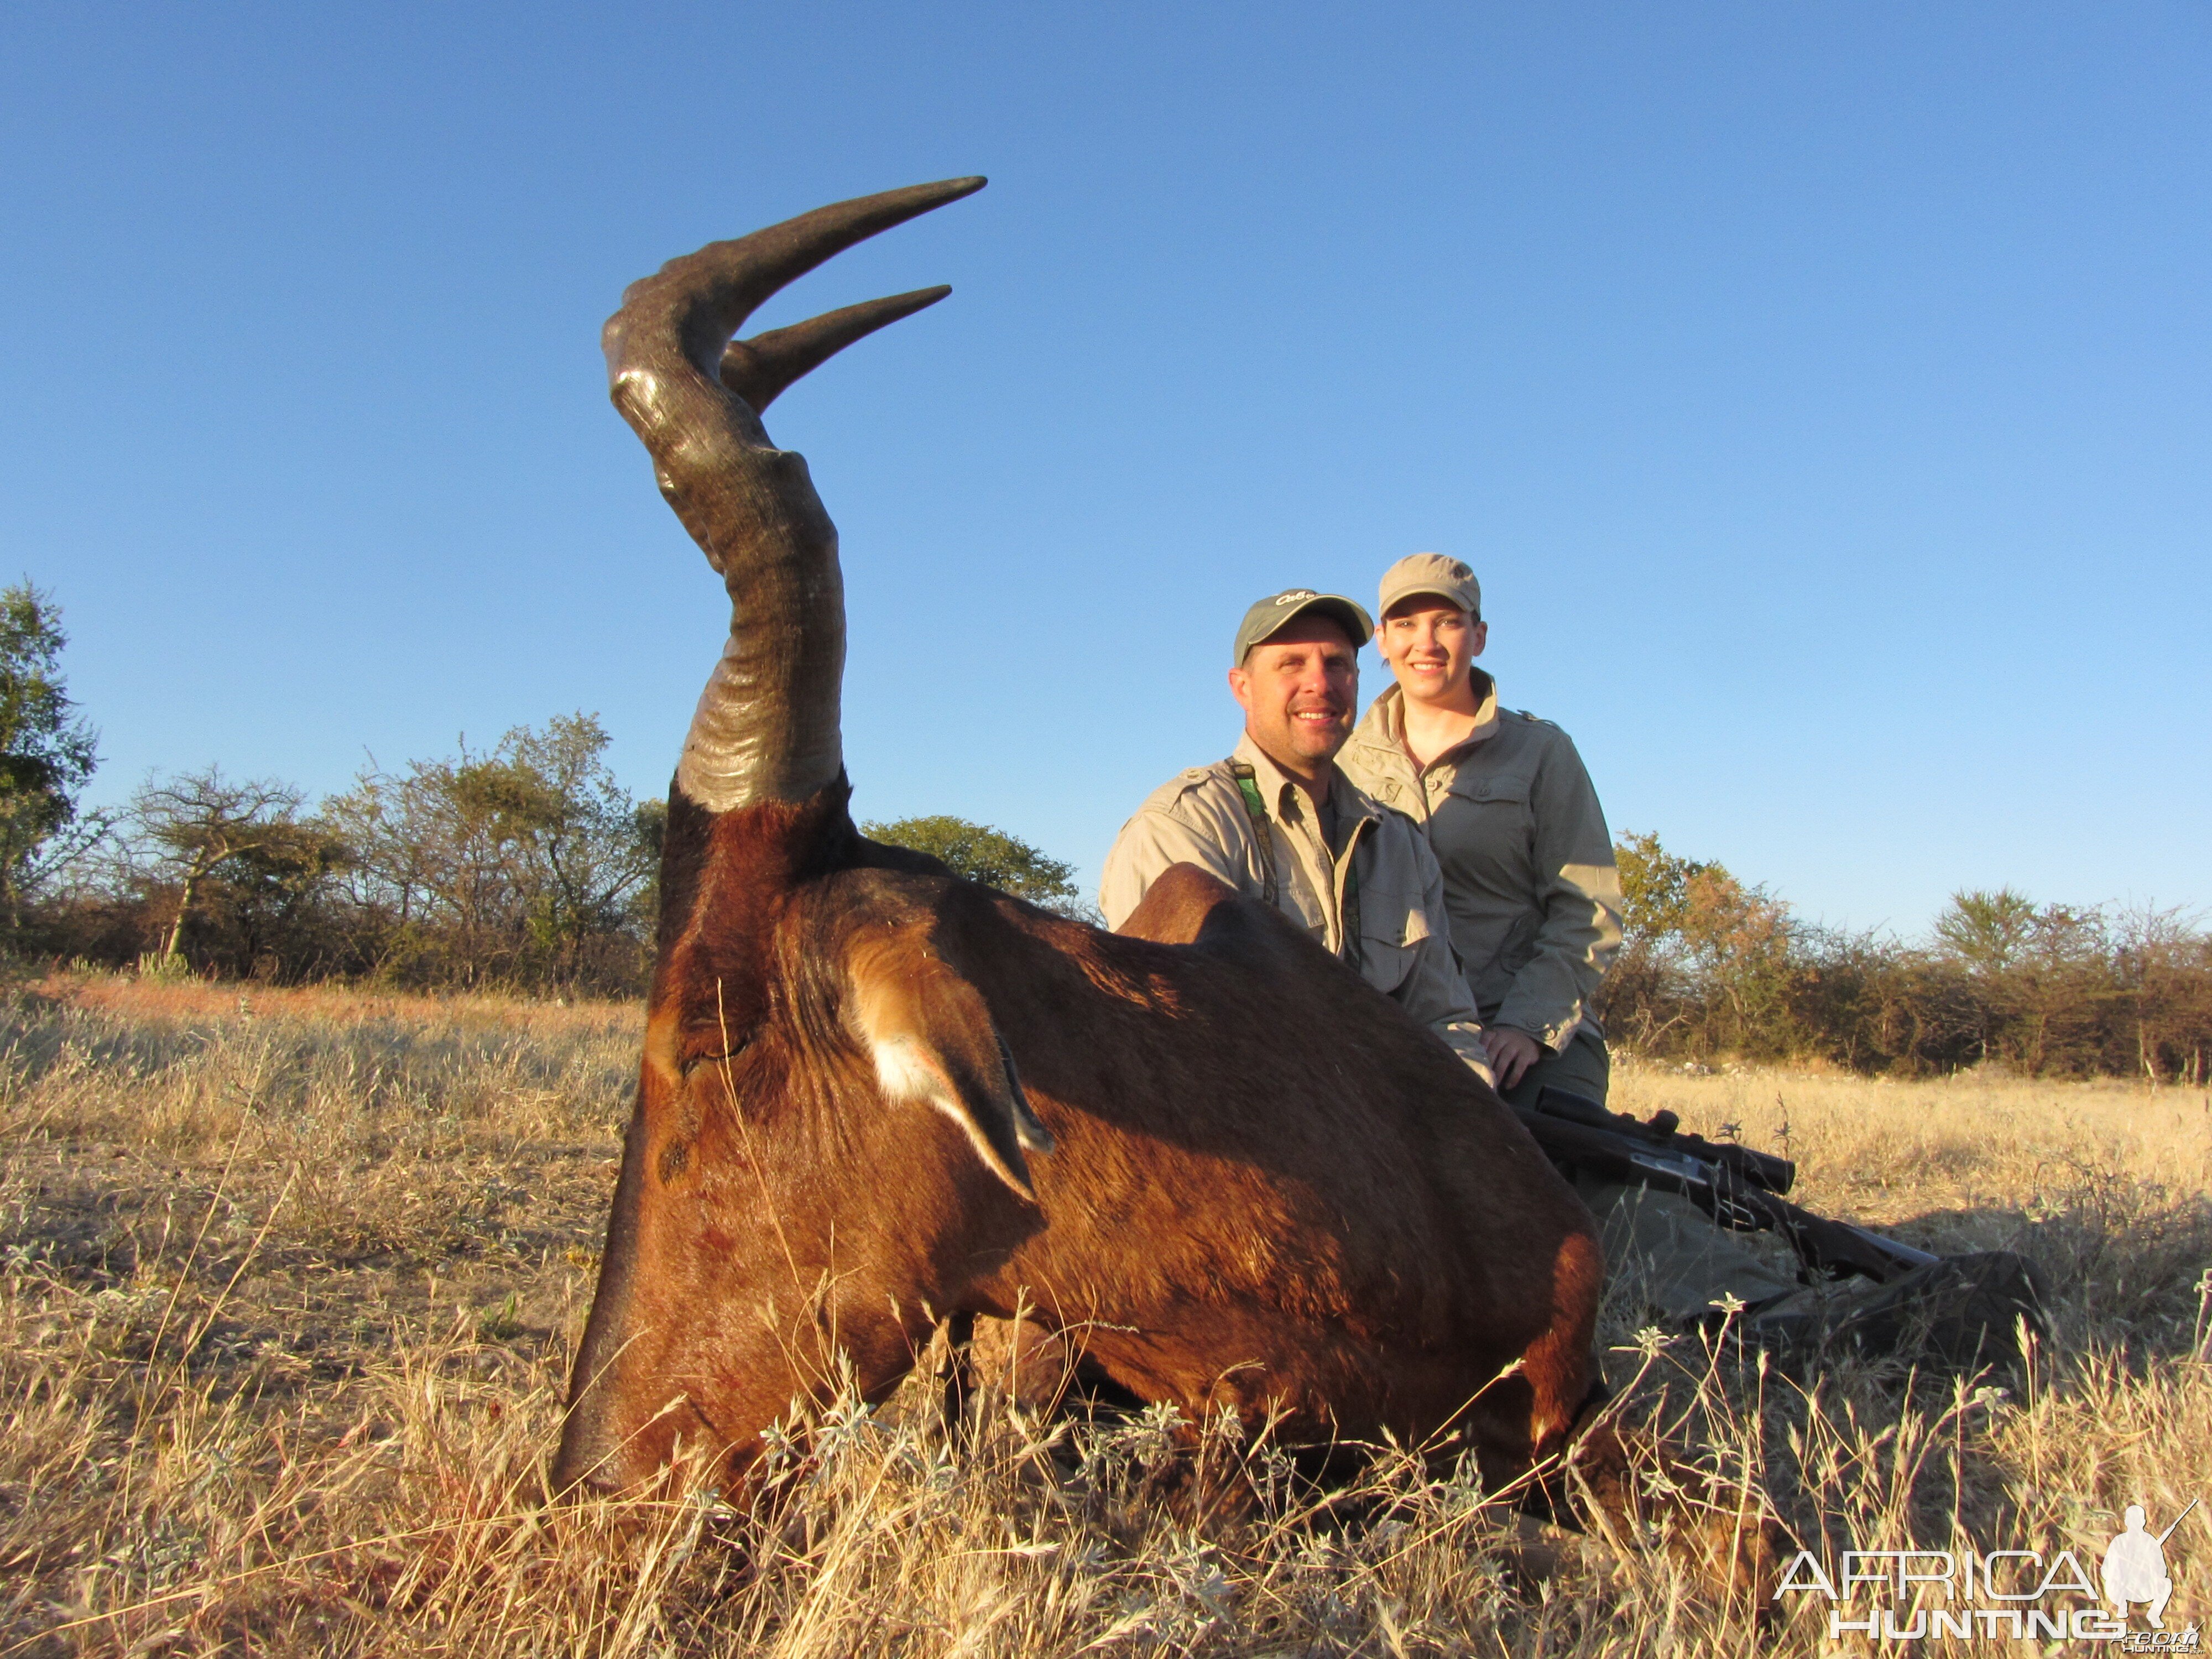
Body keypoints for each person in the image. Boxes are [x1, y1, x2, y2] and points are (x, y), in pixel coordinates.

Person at [1338, 554, 2048, 1369]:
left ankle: (1772, 1310)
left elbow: (1587, 908)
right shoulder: (1346, 761)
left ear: (1479, 634)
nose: (1428, 640)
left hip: (1524, 1038)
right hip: (1407, 1045)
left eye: (1447, 620)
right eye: (1407, 623)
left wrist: (1526, 1028)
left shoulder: (1541, 753)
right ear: (1383, 643)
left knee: (1555, 1182)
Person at [1099, 587, 1497, 1087]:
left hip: (1394, 1137)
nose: (1320, 684)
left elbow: (1447, 1020)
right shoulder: (1183, 827)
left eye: (1337, 664)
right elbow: (1175, 1046)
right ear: (1242, 687)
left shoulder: (1400, 842)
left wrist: (1466, 1122)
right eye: (1291, 665)